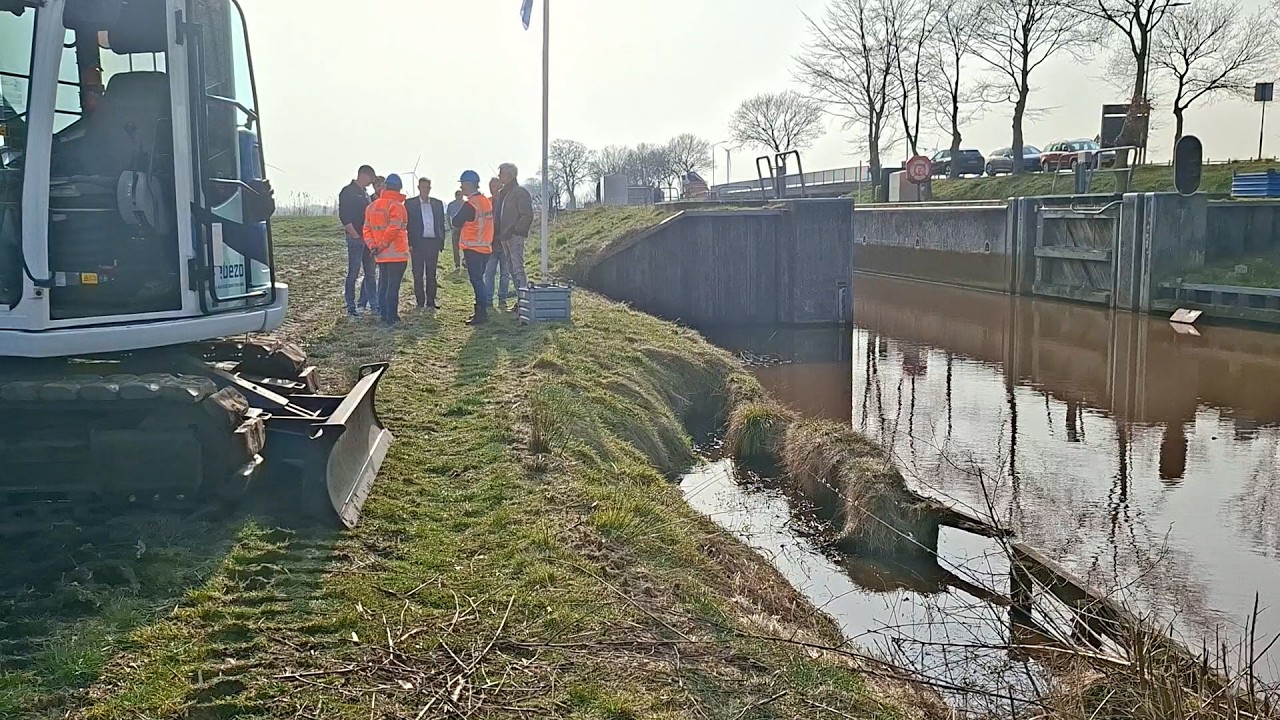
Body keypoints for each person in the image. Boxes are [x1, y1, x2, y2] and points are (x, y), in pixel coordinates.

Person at [364, 174, 409, 325]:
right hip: (397, 254)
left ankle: (384, 314)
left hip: (380, 255)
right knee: (393, 286)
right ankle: (392, 316)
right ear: (399, 188)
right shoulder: (397, 206)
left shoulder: (371, 206)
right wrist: (382, 245)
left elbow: (366, 229)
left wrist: (373, 246)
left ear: (385, 186)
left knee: (383, 284)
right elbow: (394, 228)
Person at [451, 170, 494, 326]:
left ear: (469, 184)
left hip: (473, 248)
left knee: (477, 281)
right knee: (479, 280)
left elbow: (455, 221)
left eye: (462, 184)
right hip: (485, 247)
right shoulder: (486, 201)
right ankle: (481, 311)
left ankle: (481, 314)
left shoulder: (470, 204)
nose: (461, 187)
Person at [339, 164, 378, 317]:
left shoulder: (365, 194)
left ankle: (374, 306)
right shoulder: (348, 192)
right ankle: (351, 307)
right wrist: (355, 235)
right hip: (355, 238)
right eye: (370, 178)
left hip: (367, 239)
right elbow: (344, 216)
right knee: (353, 273)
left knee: (370, 273)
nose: (371, 182)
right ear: (363, 175)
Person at [406, 177, 446, 311]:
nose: (425, 190)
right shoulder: (410, 204)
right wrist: (409, 243)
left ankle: (431, 301)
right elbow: (408, 225)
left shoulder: (437, 204)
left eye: (428, 187)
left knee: (431, 273)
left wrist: (441, 241)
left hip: (432, 243)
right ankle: (420, 301)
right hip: (417, 243)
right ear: (418, 188)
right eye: (423, 187)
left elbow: (441, 223)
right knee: (418, 274)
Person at [495, 162, 532, 303]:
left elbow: (527, 215)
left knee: (518, 269)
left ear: (509, 175)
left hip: (514, 236)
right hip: (505, 236)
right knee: (511, 269)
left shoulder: (519, 192)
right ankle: (520, 300)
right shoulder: (504, 193)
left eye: (501, 173)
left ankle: (524, 301)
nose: (499, 176)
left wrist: (515, 231)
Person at [483, 176, 512, 311]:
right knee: (489, 273)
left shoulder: (507, 203)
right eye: (492, 187)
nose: (494, 189)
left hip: (505, 243)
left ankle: (502, 299)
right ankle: (488, 300)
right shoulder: (487, 203)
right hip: (490, 244)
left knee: (505, 274)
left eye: (497, 186)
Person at [446, 190, 465, 273]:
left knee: (456, 247)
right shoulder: (465, 204)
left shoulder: (451, 204)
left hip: (458, 228)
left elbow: (448, 216)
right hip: (462, 228)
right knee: (463, 246)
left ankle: (458, 263)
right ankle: (462, 262)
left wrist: (450, 226)